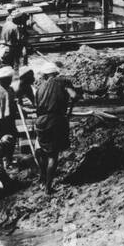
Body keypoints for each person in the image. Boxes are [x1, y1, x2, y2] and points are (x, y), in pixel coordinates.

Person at [33, 62, 74, 195]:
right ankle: (48, 187)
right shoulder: (63, 82)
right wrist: (69, 109)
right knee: (53, 156)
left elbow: (37, 105)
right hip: (55, 120)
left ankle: (43, 178)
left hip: (40, 121)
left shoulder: (39, 87)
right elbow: (74, 95)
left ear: (45, 75)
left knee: (42, 151)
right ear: (56, 73)